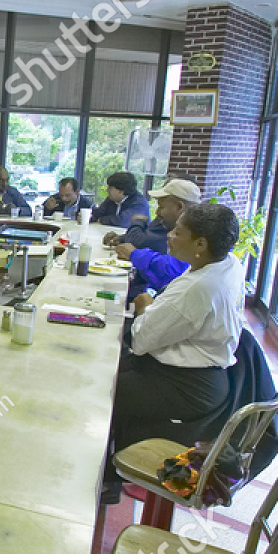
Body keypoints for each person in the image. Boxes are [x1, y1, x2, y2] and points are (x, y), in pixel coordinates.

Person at [107, 202, 246, 494]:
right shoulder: (228, 264)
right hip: (205, 379)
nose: (169, 235)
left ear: (200, 243)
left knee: (99, 391)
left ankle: (105, 480)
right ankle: (110, 476)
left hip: (183, 386)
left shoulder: (198, 288)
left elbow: (142, 340)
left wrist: (144, 304)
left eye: (177, 232)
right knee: (109, 367)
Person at [110, 178, 200, 300]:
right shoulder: (174, 225)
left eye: (161, 207)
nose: (157, 212)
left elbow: (171, 271)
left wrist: (135, 254)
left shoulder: (195, 234)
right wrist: (123, 239)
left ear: (179, 207)